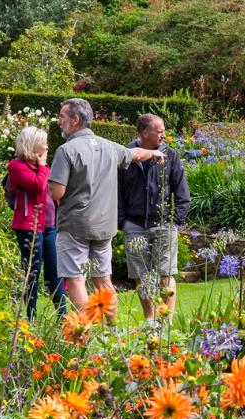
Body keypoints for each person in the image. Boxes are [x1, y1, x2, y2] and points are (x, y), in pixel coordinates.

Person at [48, 98, 163, 320]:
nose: (58, 121)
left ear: (75, 119)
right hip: (104, 226)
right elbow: (136, 154)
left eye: (62, 117)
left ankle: (83, 330)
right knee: (102, 278)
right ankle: (113, 331)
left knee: (75, 278)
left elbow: (57, 193)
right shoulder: (110, 146)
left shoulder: (66, 150)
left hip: (75, 226)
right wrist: (155, 153)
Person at [118, 113, 190, 320]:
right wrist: (122, 221)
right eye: (159, 132)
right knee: (141, 276)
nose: (163, 135)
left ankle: (165, 321)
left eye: (163, 131)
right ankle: (150, 320)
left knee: (166, 274)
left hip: (163, 224)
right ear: (144, 133)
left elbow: (182, 190)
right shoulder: (127, 155)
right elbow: (117, 190)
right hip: (134, 225)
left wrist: (176, 220)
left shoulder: (171, 155)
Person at [8, 125, 66, 318]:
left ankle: (63, 317)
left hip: (50, 226)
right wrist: (42, 167)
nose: (47, 146)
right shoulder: (16, 166)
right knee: (32, 273)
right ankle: (30, 317)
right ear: (33, 145)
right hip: (29, 227)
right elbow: (36, 185)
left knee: (55, 271)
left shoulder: (44, 167)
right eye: (44, 142)